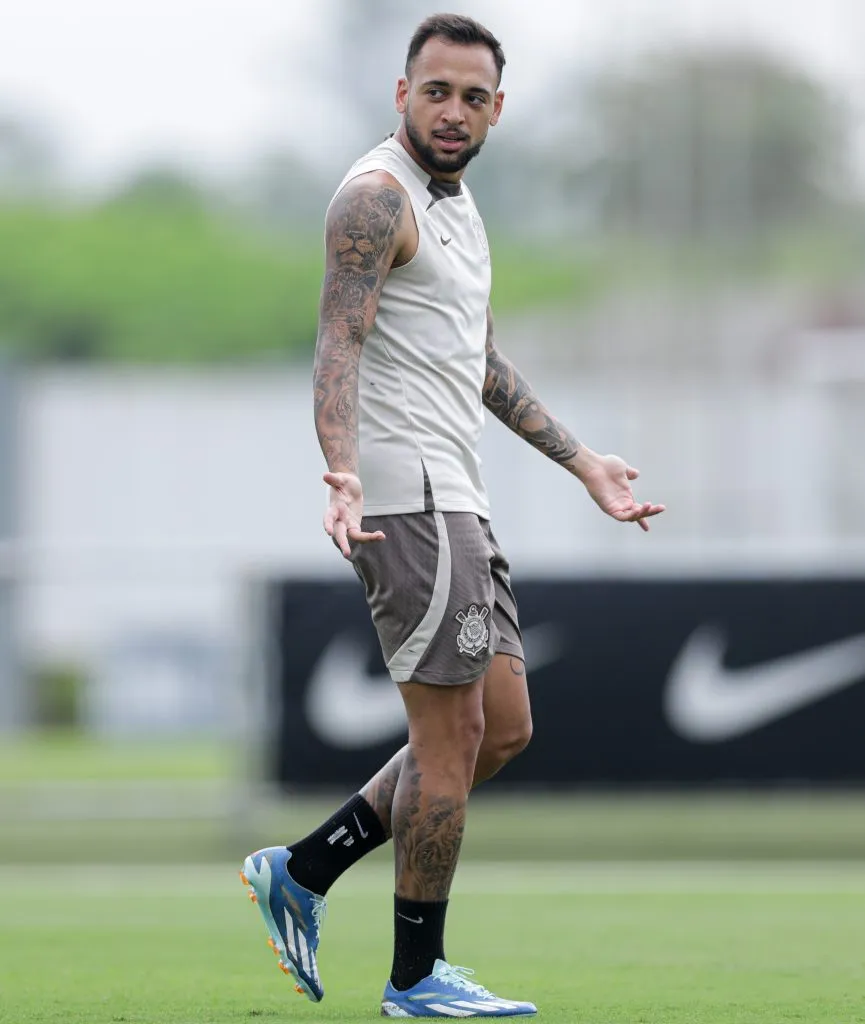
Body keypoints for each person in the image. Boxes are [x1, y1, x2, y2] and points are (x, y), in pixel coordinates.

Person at [240, 13, 665, 1019]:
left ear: (496, 112)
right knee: (449, 740)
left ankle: (300, 869)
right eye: (436, 90)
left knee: (502, 728)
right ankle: (414, 977)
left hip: (458, 501)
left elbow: (474, 361)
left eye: (473, 96)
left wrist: (583, 462)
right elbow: (336, 344)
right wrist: (339, 470)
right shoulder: (374, 196)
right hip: (406, 500)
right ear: (402, 94)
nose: (453, 110)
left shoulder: (460, 211)